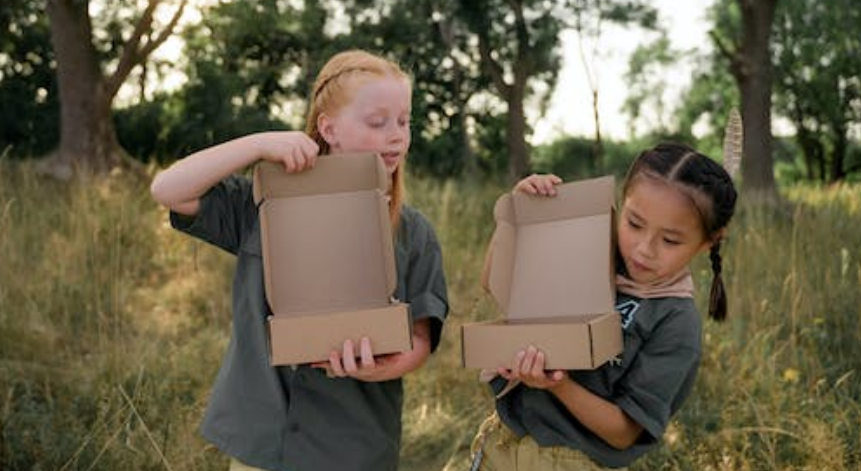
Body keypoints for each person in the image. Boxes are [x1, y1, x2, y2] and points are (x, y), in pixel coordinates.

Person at [150, 49, 449, 471]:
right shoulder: (264, 204)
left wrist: (377, 368)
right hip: (262, 444)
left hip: (351, 447)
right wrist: (257, 144)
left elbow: (421, 338)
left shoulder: (414, 233)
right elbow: (168, 189)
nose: (397, 136)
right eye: (378, 122)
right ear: (328, 128)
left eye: (404, 121)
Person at [469, 142, 737, 470]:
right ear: (620, 205)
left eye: (670, 240)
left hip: (571, 462)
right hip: (502, 443)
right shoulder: (590, 253)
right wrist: (516, 215)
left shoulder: (675, 323)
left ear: (710, 241)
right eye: (634, 224)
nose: (643, 250)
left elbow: (623, 433)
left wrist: (558, 385)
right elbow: (495, 284)